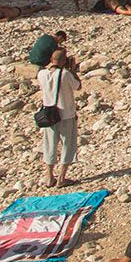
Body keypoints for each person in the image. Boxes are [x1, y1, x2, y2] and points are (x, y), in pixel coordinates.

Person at [38, 46, 80, 188]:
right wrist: (73, 70)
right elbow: (77, 86)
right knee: (68, 145)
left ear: (51, 59)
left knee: (49, 144)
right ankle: (61, 177)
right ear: (64, 60)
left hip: (49, 114)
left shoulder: (42, 74)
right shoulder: (65, 74)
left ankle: (49, 177)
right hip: (66, 114)